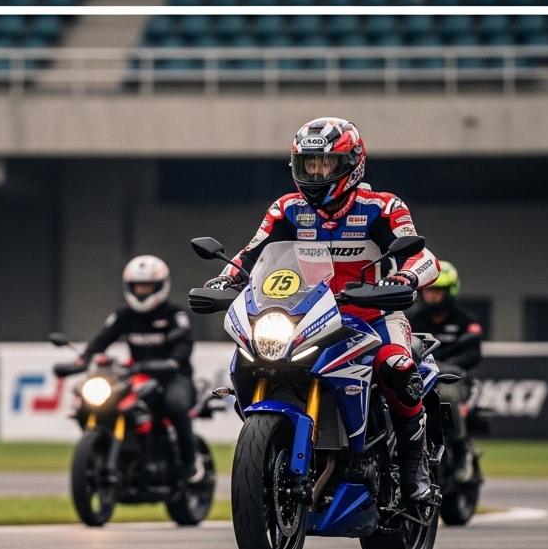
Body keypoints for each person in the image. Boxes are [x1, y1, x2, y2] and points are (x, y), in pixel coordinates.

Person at [206, 117, 440, 504]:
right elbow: (251, 254)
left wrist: (405, 279)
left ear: (351, 164)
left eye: (324, 163)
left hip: (373, 316)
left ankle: (414, 468)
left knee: (396, 366)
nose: (315, 172)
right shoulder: (287, 209)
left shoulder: (382, 207)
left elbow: (420, 254)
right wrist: (225, 278)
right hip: (305, 316)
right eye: (308, 163)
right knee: (250, 361)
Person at [80, 255, 205, 482]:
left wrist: (173, 362)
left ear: (159, 286)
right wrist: (83, 358)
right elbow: (102, 339)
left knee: (175, 406)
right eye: (137, 286)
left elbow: (184, 345)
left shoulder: (175, 315)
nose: (141, 291)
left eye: (147, 286)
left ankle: (190, 463)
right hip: (138, 377)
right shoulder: (123, 315)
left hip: (175, 378)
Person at [406, 260, 483, 481]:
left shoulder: (466, 320)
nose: (432, 297)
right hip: (420, 376)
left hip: (453, 377)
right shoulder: (413, 319)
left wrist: (450, 364)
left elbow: (474, 353)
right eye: (429, 291)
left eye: (438, 292)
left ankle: (460, 452)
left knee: (446, 397)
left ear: (450, 292)